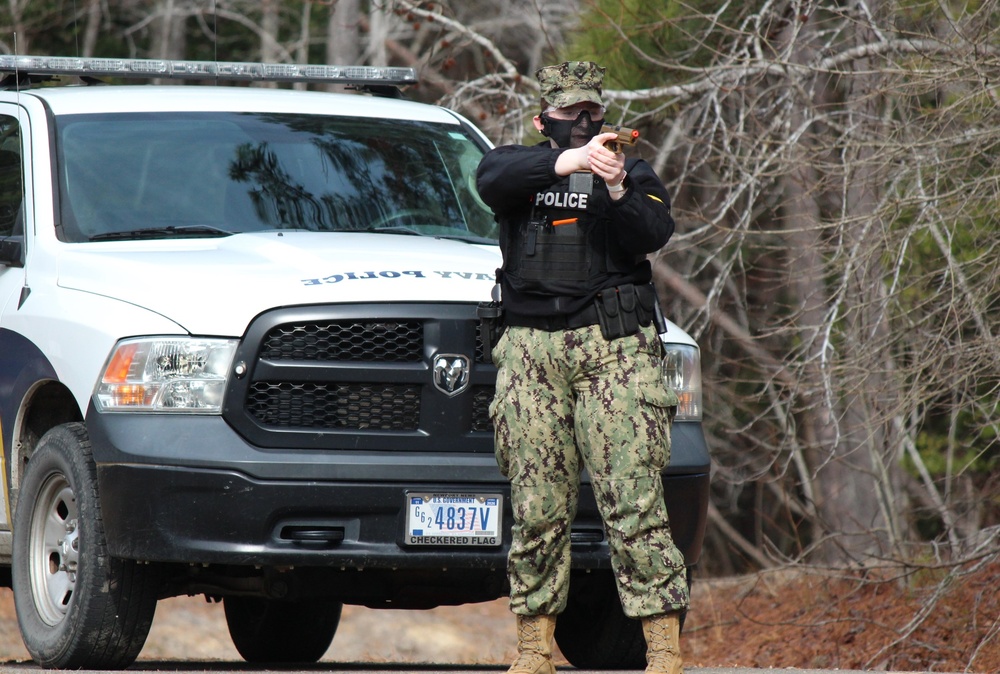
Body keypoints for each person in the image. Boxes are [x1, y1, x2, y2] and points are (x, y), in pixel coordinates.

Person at [475, 61, 689, 674]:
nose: (585, 122)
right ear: (544, 119)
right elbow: (489, 179)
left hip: (613, 350)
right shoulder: (519, 167)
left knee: (633, 500)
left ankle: (663, 653)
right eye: (571, 113)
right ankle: (534, 651)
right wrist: (563, 165)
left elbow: (652, 232)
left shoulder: (634, 173)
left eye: (593, 111)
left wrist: (617, 185)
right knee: (538, 506)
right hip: (531, 353)